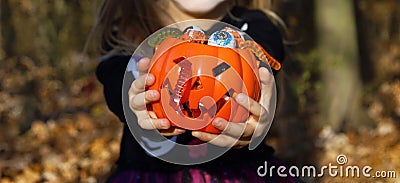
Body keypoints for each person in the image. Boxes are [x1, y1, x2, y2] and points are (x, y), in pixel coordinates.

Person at [92, 0, 300, 182]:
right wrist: (134, 98)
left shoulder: (254, 27)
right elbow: (116, 78)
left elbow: (263, 62)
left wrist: (260, 93)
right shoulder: (126, 32)